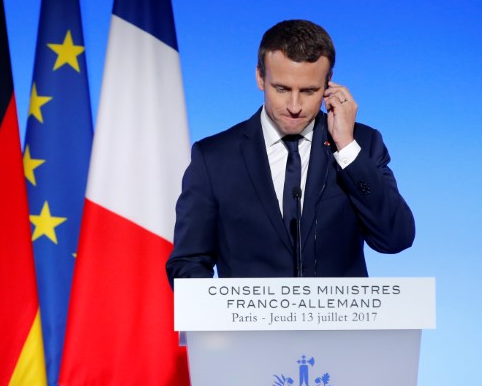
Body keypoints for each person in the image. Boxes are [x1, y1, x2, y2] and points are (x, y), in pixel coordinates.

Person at [167, 20, 414, 282]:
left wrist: (347, 149)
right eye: (282, 89)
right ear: (260, 77)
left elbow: (395, 238)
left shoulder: (362, 144)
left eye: (308, 91)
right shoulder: (214, 158)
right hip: (246, 323)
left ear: (329, 84)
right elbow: (188, 262)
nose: (294, 106)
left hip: (338, 323)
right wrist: (223, 318)